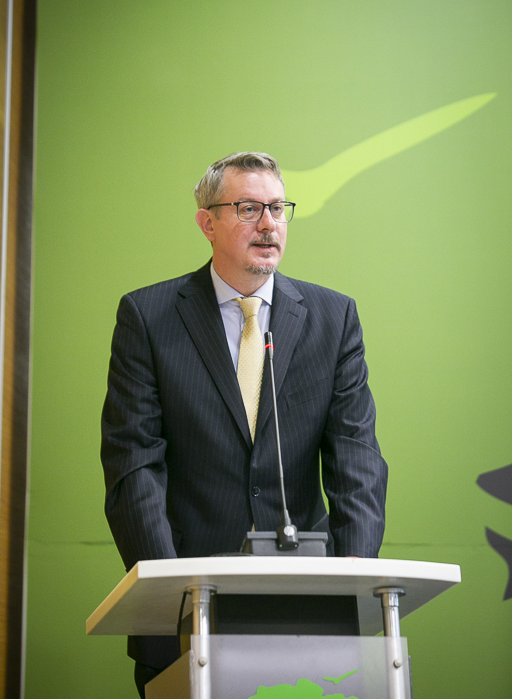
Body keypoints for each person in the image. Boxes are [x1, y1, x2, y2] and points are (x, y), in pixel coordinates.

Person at [101, 151, 388, 696]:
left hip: (310, 613)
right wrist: (173, 594)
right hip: (187, 611)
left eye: (278, 208)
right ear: (207, 223)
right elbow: (133, 463)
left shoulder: (333, 318)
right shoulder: (148, 317)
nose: (268, 223)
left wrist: (350, 584)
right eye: (249, 208)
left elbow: (358, 461)